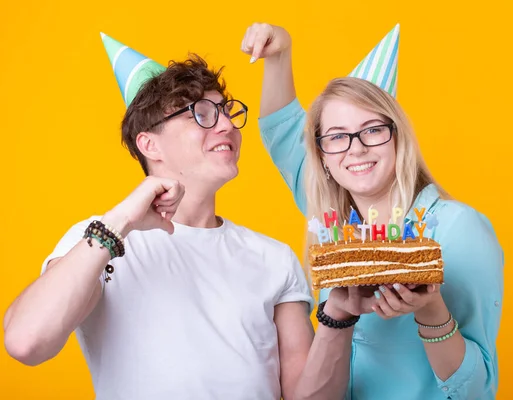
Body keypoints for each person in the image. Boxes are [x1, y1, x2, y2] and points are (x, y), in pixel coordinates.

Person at [3, 33, 316, 400]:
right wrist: (117, 225)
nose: (228, 126)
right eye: (202, 113)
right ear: (149, 144)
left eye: (227, 111)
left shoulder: (274, 258)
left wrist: (341, 315)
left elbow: (307, 396)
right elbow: (26, 342)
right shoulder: (98, 241)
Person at [241, 23, 505, 399]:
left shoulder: (459, 229)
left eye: (373, 130)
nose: (356, 149)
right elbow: (280, 130)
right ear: (322, 158)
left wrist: (430, 309)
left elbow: (477, 389)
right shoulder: (329, 217)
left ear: (398, 137)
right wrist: (279, 55)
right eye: (337, 136)